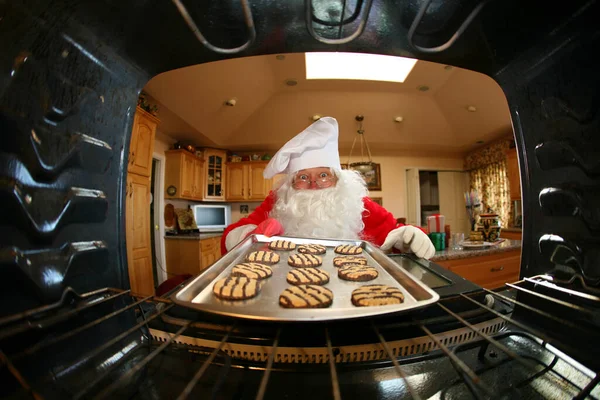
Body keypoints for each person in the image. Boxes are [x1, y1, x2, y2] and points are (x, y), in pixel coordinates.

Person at [220, 117, 435, 259]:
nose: (314, 184)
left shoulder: (354, 203)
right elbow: (231, 235)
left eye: (323, 175)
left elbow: (394, 231)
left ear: (337, 178)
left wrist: (410, 235)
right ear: (291, 184)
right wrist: (248, 236)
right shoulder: (279, 202)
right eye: (303, 177)